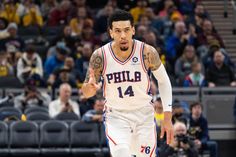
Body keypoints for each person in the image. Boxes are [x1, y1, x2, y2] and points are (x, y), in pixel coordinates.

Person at [81, 10, 173, 157]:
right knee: (121, 154)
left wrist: (167, 118)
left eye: (126, 30)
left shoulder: (147, 52)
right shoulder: (100, 56)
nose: (123, 35)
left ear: (133, 30)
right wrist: (90, 89)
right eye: (117, 31)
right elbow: (86, 92)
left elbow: (164, 81)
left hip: (144, 115)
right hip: (116, 115)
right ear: (110, 32)